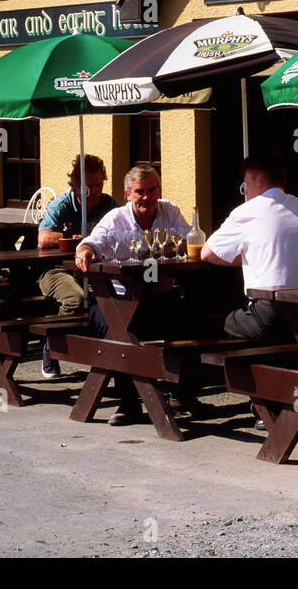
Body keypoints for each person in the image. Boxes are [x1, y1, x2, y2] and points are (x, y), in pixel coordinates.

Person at [73, 163, 194, 426]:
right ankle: (129, 403)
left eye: (152, 190)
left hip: (158, 296)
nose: (147, 197)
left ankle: (182, 394)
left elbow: (190, 239)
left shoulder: (169, 210)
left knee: (191, 319)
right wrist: (84, 252)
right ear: (128, 194)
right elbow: (92, 242)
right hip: (115, 301)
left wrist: (180, 247)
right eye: (140, 192)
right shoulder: (116, 218)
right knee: (123, 332)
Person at [200, 153, 298, 342]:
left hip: (275, 314)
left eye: (246, 186)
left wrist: (250, 256)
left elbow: (207, 253)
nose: (245, 192)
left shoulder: (246, 212)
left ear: (259, 180)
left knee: (223, 323)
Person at [34, 154, 117, 379]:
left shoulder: (109, 205)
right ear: (75, 185)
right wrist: (80, 238)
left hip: (94, 270)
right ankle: (52, 347)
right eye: (89, 185)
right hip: (56, 269)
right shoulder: (61, 205)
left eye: (99, 184)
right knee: (76, 299)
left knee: (116, 303)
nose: (95, 190)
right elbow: (43, 239)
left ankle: (108, 358)